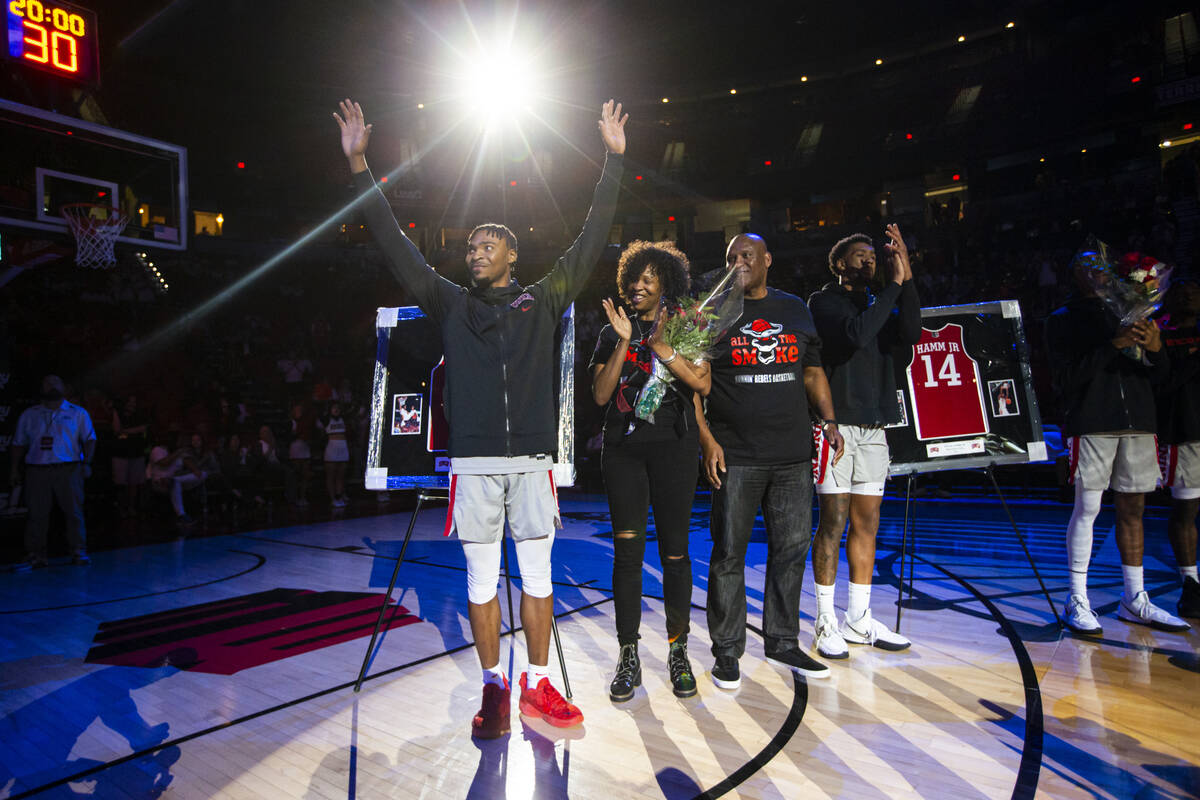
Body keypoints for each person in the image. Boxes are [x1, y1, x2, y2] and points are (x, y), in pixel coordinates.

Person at [334, 96, 626, 735]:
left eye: (488, 243)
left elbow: (590, 238)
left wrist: (612, 163)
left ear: (512, 256)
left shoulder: (544, 297)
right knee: (480, 581)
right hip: (473, 461)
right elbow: (395, 247)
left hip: (531, 461)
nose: (476, 249)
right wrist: (360, 166)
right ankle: (495, 687)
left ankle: (539, 685)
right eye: (471, 244)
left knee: (540, 578)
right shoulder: (448, 303)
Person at [698, 233, 844, 688]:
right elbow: (693, 384)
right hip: (736, 455)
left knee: (792, 548)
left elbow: (813, 370)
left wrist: (830, 419)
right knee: (728, 555)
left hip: (791, 456)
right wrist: (706, 440)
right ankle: (727, 651)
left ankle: (782, 640)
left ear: (767, 260)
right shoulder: (712, 313)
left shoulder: (794, 308)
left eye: (747, 256)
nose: (738, 262)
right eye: (730, 257)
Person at [590, 241, 710, 702]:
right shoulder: (610, 333)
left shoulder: (687, 326)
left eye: (649, 278)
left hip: (674, 450)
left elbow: (702, 383)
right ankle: (628, 653)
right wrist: (624, 342)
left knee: (676, 555)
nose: (639, 285)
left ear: (666, 283)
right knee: (627, 556)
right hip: (623, 452)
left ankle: (678, 650)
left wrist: (663, 348)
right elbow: (601, 396)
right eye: (634, 278)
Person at [1046, 262, 1190, 634]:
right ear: (1074, 273)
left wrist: (1156, 349)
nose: (1099, 272)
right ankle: (1077, 598)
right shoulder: (1063, 319)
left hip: (1140, 422)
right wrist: (1114, 344)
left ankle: (1134, 598)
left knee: (1134, 510)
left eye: (1104, 266)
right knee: (1088, 506)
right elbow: (1065, 379)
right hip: (1093, 422)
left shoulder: (1130, 311)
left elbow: (1162, 380)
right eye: (1089, 266)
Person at [807, 226, 922, 659]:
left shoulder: (881, 302)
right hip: (834, 427)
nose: (868, 260)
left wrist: (905, 277)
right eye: (859, 255)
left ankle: (858, 619)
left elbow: (910, 334)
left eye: (873, 255)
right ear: (839, 264)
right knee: (833, 523)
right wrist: (893, 287)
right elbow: (855, 334)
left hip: (875, 426)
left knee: (867, 523)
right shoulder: (824, 302)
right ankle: (825, 622)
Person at [10, 375, 97, 570]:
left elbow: (90, 439)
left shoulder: (77, 413)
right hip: (37, 469)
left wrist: (88, 463)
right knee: (37, 514)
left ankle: (78, 550)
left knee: (73, 511)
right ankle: (36, 554)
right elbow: (18, 443)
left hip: (68, 468)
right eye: (47, 383)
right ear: (42, 388)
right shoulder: (30, 414)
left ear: (63, 387)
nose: (51, 386)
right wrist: (14, 469)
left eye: (56, 383)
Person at [1157, 277, 1200, 617]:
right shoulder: (1159, 335)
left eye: (1194, 287)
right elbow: (1162, 384)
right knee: (1185, 510)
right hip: (1186, 432)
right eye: (1182, 288)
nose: (1188, 291)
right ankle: (1190, 583)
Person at [111, 394, 150, 517]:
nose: (132, 404)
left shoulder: (141, 414)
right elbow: (116, 430)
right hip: (120, 453)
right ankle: (122, 508)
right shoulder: (118, 413)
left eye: (134, 401)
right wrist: (132, 431)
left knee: (134, 483)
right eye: (130, 401)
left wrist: (125, 431)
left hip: (137, 452)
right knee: (121, 483)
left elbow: (143, 428)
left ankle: (132, 507)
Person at [318, 401, 349, 508]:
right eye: (334, 408)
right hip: (331, 447)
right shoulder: (326, 419)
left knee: (341, 475)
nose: (336, 410)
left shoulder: (344, 419)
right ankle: (333, 499)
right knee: (331, 475)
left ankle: (339, 496)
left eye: (338, 407)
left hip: (343, 447)